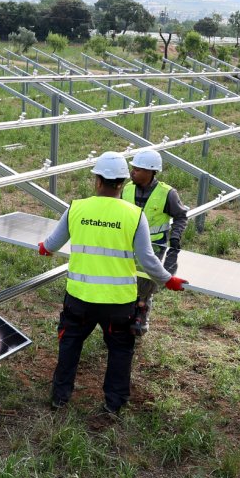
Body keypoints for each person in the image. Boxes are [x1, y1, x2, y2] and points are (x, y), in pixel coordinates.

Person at [39, 151, 187, 419]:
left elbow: (51, 244)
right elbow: (147, 259)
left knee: (70, 345)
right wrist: (168, 279)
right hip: (118, 303)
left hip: (79, 298)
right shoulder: (134, 215)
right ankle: (114, 404)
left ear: (97, 180)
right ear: (122, 183)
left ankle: (60, 397)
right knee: (120, 350)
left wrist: (44, 248)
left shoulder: (77, 208)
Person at [122, 149, 189, 335]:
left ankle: (141, 315)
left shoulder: (167, 194)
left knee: (146, 283)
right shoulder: (127, 189)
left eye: (138, 169)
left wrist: (175, 237)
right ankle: (126, 313)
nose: (133, 172)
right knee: (126, 281)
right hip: (126, 244)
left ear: (151, 172)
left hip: (153, 247)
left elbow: (181, 216)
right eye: (133, 168)